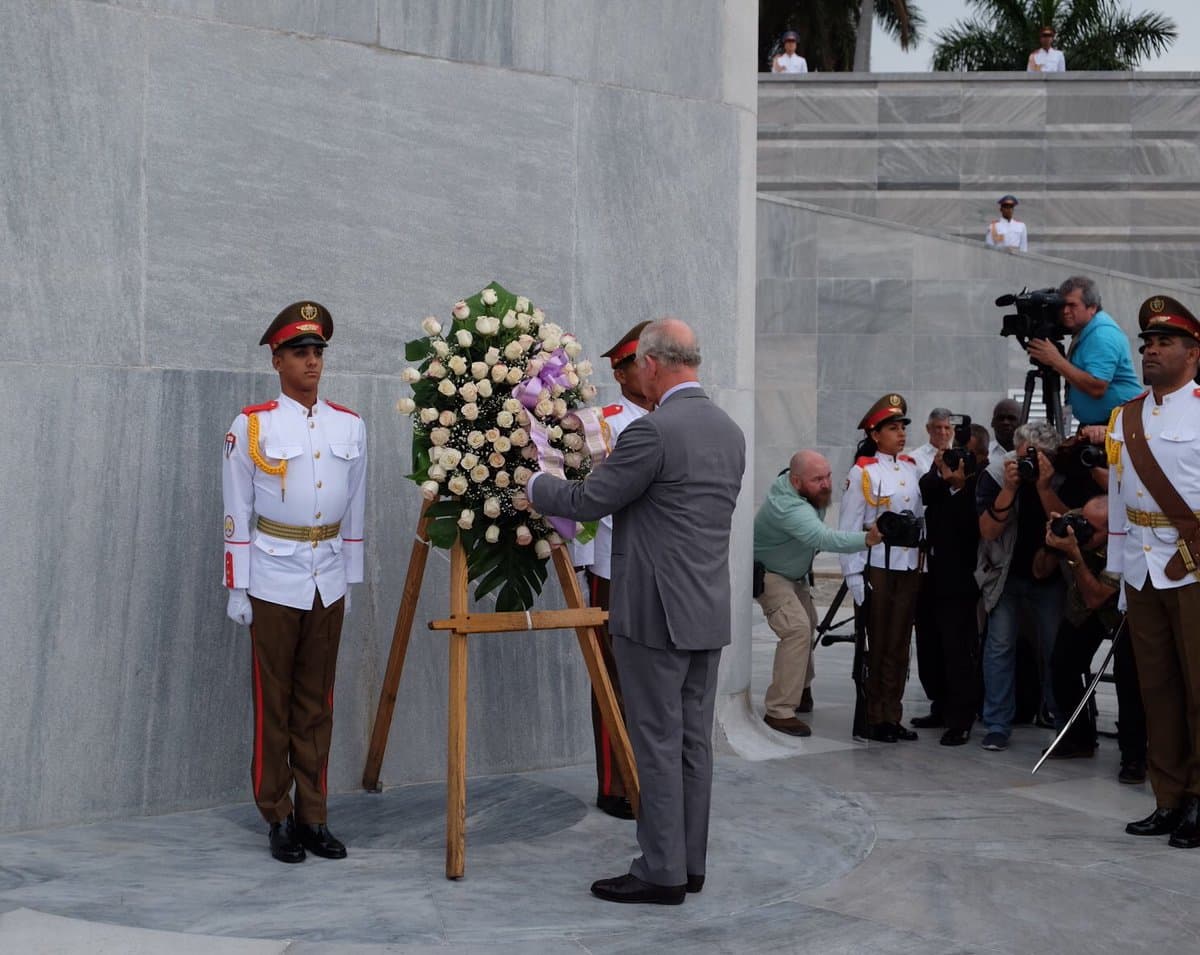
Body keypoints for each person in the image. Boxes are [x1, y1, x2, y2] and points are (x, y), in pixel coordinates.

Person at [528, 318, 745, 904]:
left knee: (654, 742)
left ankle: (660, 871)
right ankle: (688, 864)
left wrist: (533, 484)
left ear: (652, 363)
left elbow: (589, 500)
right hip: (707, 611)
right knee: (692, 745)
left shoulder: (653, 432)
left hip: (655, 614)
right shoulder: (729, 431)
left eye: (637, 365)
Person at [222, 301, 367, 864]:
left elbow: (353, 508)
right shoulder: (253, 424)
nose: (312, 362)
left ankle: (314, 814)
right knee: (274, 703)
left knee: (317, 703)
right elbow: (235, 507)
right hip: (273, 576)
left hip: (326, 577)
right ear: (277, 360)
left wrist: (349, 578)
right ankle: (276, 813)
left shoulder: (348, 424)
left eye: (318, 353)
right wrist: (238, 585)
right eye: (300, 353)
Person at [1107, 295, 1200, 847]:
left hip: (1191, 568)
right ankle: (1168, 797)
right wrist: (1120, 575)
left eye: (1165, 342)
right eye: (1146, 343)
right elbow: (1120, 502)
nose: (1151, 351)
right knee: (1156, 689)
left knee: (1198, 687)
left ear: (1193, 353)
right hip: (1143, 570)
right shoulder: (1127, 417)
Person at [571, 320, 652, 820]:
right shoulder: (604, 422)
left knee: (654, 679)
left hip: (660, 569)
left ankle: (649, 776)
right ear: (622, 373)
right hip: (612, 565)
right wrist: (583, 566)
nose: (651, 371)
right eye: (641, 363)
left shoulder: (673, 418)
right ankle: (614, 782)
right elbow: (585, 498)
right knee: (614, 677)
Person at [754, 450, 882, 737]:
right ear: (797, 481)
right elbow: (823, 537)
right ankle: (779, 710)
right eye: (817, 479)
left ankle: (800, 689)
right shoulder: (787, 506)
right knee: (796, 629)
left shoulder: (805, 492)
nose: (826, 484)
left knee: (808, 623)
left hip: (794, 574)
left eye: (827, 476)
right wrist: (867, 539)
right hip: (771, 574)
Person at [1036, 496, 1146, 781]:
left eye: (1092, 528)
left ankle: (1133, 757)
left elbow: (1097, 597)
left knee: (1128, 678)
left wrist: (1073, 554)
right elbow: (1039, 571)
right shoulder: (1076, 521)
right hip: (1081, 608)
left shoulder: (1121, 545)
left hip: (1123, 611)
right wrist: (1052, 542)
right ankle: (1079, 738)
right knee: (1062, 664)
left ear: (1112, 530)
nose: (1083, 529)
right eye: (1081, 520)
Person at [975, 421, 1068, 752]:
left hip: (1050, 578)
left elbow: (1067, 524)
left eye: (1039, 455)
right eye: (1026, 454)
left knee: (1056, 649)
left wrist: (1043, 486)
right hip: (1005, 574)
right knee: (999, 647)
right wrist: (1011, 488)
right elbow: (987, 531)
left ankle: (1063, 723)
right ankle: (997, 724)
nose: (1031, 461)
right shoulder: (997, 474)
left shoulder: (1059, 474)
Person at [838, 394, 924, 743]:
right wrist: (854, 576)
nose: (900, 434)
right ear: (875, 434)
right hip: (878, 567)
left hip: (907, 565)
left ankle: (893, 713)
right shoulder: (862, 472)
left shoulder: (911, 468)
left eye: (902, 427)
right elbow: (849, 529)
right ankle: (874, 716)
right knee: (878, 641)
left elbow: (920, 520)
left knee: (900, 644)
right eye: (893, 428)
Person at [915, 425, 990, 745]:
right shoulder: (936, 479)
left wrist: (961, 485)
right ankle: (939, 704)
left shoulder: (979, 486)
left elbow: (973, 528)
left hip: (960, 580)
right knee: (929, 645)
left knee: (958, 648)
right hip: (929, 574)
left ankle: (961, 717)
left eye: (966, 454)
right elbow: (925, 490)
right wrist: (939, 468)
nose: (959, 460)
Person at [1026, 276, 1142, 426]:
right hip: (1101, 424)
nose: (1065, 311)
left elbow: (1097, 387)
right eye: (1062, 305)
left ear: (1092, 307)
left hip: (1120, 426)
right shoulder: (1087, 330)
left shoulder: (1102, 335)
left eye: (1072, 305)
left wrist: (1055, 360)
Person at [909, 407, 954, 475]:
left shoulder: (959, 455)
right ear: (928, 428)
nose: (943, 432)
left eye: (947, 428)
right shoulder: (914, 458)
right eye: (938, 427)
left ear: (953, 430)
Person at [989, 398, 1021, 465]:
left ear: (1022, 423)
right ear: (992, 422)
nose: (1005, 422)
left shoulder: (1030, 453)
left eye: (1011, 418)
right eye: (1000, 418)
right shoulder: (985, 453)